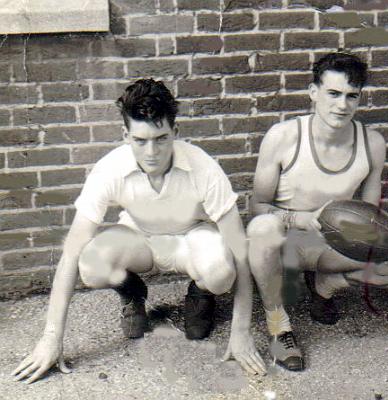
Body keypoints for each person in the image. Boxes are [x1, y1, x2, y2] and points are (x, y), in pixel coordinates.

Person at [13, 79, 266, 383]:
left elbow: (239, 250)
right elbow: (72, 250)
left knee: (221, 270)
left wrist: (240, 333)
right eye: (140, 140)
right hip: (141, 238)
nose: (151, 152)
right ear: (126, 136)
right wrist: (51, 339)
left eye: (161, 139)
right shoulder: (110, 168)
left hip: (192, 239)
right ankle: (132, 292)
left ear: (175, 132)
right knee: (90, 264)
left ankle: (201, 293)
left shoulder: (204, 168)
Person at [246, 52, 388, 371]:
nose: (342, 104)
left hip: (335, 243)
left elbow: (369, 217)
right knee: (260, 231)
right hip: (291, 242)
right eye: (333, 93)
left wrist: (385, 237)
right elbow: (257, 207)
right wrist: (300, 218)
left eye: (351, 96)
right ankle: (278, 326)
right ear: (313, 92)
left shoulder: (372, 144)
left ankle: (327, 286)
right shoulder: (283, 137)